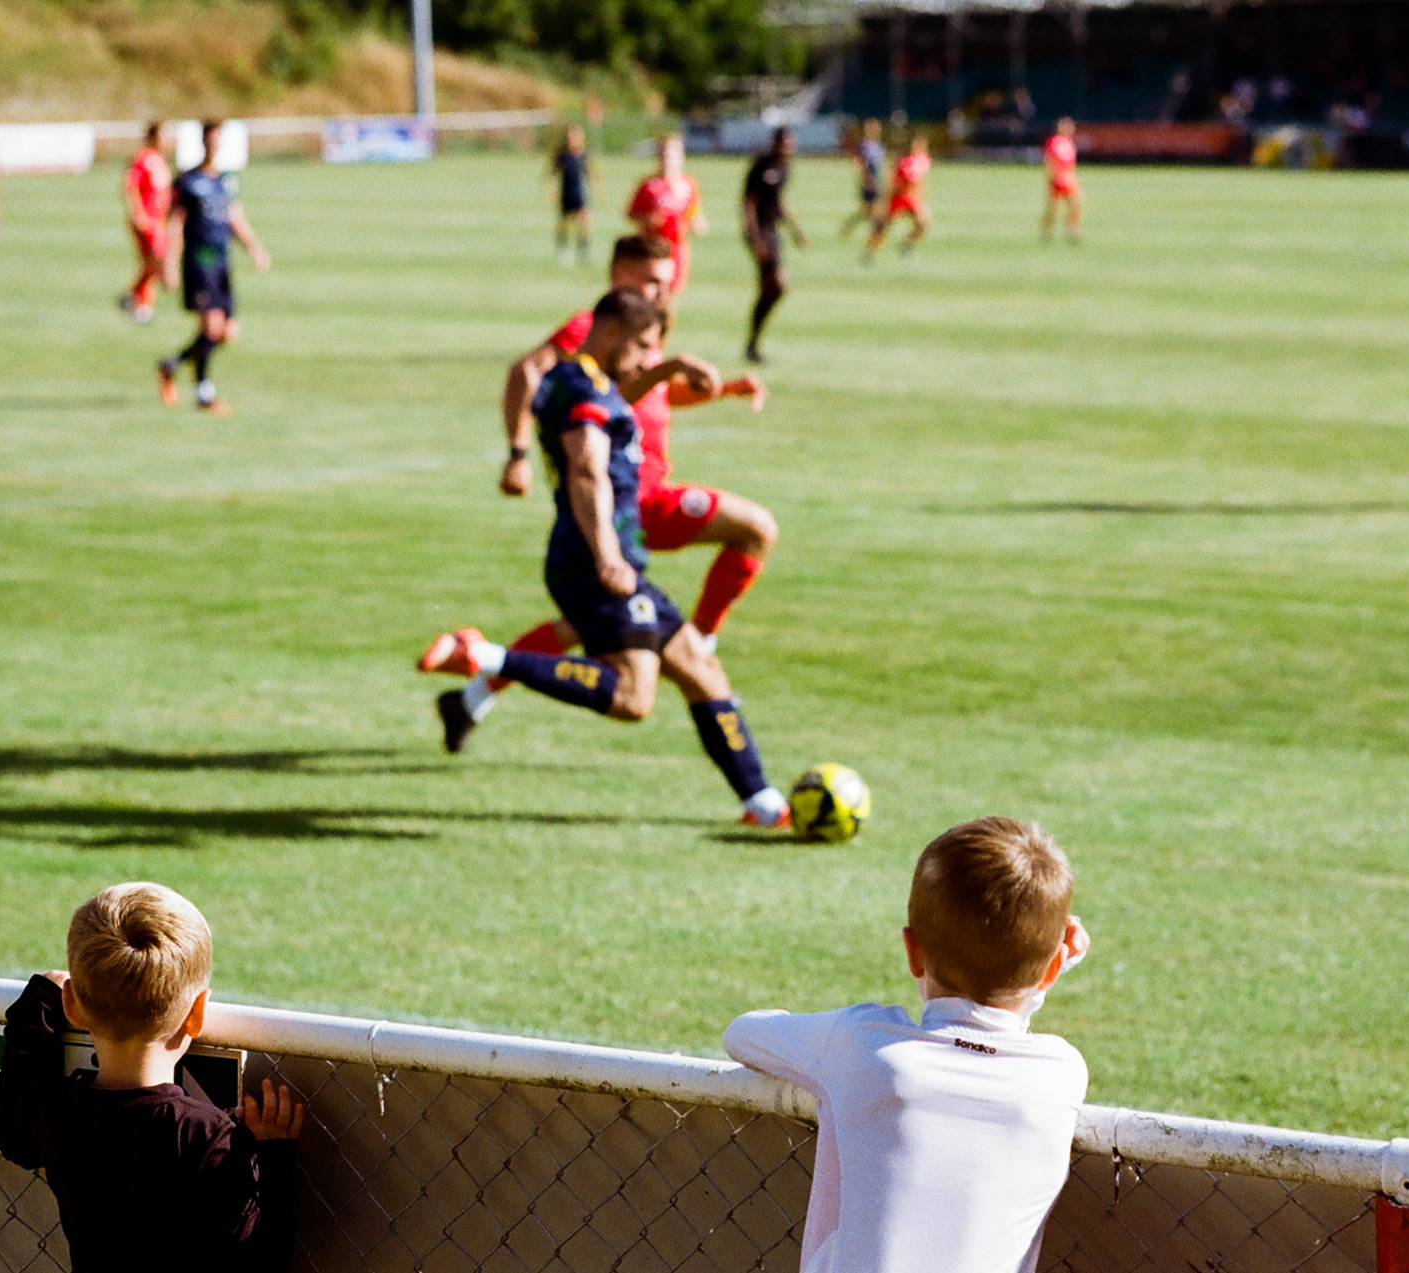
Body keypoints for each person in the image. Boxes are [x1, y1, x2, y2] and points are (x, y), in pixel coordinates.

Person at [418, 288, 792, 828]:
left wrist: (670, 368)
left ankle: (765, 806)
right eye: (641, 347)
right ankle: (481, 655)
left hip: (607, 555)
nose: (643, 360)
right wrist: (608, 555)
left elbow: (621, 398)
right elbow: (587, 471)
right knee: (632, 698)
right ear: (613, 333)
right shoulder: (581, 389)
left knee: (699, 666)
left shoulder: (583, 380)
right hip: (591, 559)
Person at [446, 235, 773, 756]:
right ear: (620, 274)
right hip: (630, 503)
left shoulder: (641, 328)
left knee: (586, 625)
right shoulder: (594, 326)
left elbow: (635, 396)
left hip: (631, 496)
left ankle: (474, 694)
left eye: (667, 281)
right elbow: (530, 371)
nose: (663, 290)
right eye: (651, 280)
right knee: (755, 528)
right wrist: (517, 453)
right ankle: (702, 646)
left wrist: (718, 387)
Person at [724, 816, 1090, 1272]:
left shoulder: (863, 1044)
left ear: (912, 951)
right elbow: (1003, 1038)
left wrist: (843, 1032)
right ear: (1053, 969)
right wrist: (1042, 970)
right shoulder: (1061, 1072)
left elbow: (742, 1033)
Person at [0, 882, 305, 1273]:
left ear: (71, 1005)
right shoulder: (206, 1136)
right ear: (196, 1014)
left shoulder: (57, 1112)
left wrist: (39, 1002)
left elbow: (11, 1129)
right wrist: (272, 1155)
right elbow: (259, 1262)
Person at [156, 120, 270, 416]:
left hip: (221, 262)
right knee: (210, 327)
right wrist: (169, 263)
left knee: (226, 333)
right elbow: (176, 224)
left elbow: (235, 218)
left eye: (218, 141)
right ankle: (204, 395)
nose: (213, 146)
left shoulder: (225, 181)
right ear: (202, 142)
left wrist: (254, 248)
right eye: (209, 140)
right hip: (199, 261)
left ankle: (172, 364)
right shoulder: (187, 181)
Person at [742, 126, 807, 363]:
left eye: (789, 143)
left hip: (772, 231)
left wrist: (795, 229)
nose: (786, 147)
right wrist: (755, 239)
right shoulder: (762, 165)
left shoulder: (785, 167)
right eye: (783, 142)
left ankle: (752, 344)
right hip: (760, 232)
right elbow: (749, 204)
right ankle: (752, 343)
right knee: (777, 285)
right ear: (775, 143)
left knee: (773, 288)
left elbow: (778, 202)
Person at [627, 134, 705, 297]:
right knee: (650, 293)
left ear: (681, 156)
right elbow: (632, 213)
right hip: (651, 248)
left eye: (672, 154)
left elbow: (693, 213)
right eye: (663, 154)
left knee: (671, 295)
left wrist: (696, 224)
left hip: (676, 249)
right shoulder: (649, 185)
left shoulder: (688, 185)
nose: (667, 159)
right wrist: (648, 220)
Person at [120, 123, 173, 323]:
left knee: (153, 263)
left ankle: (135, 298)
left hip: (159, 221)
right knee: (156, 260)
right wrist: (138, 213)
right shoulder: (143, 159)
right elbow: (130, 185)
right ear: (153, 136)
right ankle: (142, 304)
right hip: (148, 220)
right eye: (164, 135)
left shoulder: (161, 160)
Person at [865, 133, 931, 261]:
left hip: (911, 197)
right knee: (882, 227)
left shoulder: (923, 160)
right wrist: (885, 200)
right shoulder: (903, 161)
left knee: (922, 223)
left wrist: (920, 196)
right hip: (898, 197)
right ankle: (869, 252)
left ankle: (907, 244)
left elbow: (923, 180)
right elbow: (893, 181)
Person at [552, 123, 594, 265]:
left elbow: (592, 173)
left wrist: (597, 189)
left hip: (580, 193)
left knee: (583, 222)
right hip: (566, 193)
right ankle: (563, 248)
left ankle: (583, 249)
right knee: (564, 223)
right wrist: (551, 191)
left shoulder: (584, 155)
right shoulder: (562, 155)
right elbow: (552, 174)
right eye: (570, 136)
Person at [840, 118, 886, 238]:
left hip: (877, 182)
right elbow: (860, 163)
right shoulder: (864, 146)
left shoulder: (879, 146)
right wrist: (866, 179)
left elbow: (880, 166)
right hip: (869, 184)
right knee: (875, 213)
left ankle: (848, 228)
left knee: (869, 212)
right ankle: (876, 237)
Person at [1040, 116, 1082, 243]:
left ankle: (1072, 231)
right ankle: (1046, 231)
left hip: (1068, 178)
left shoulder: (1070, 143)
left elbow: (1071, 163)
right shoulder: (1054, 142)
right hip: (1057, 177)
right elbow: (1049, 161)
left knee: (1075, 203)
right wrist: (1051, 177)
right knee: (1053, 207)